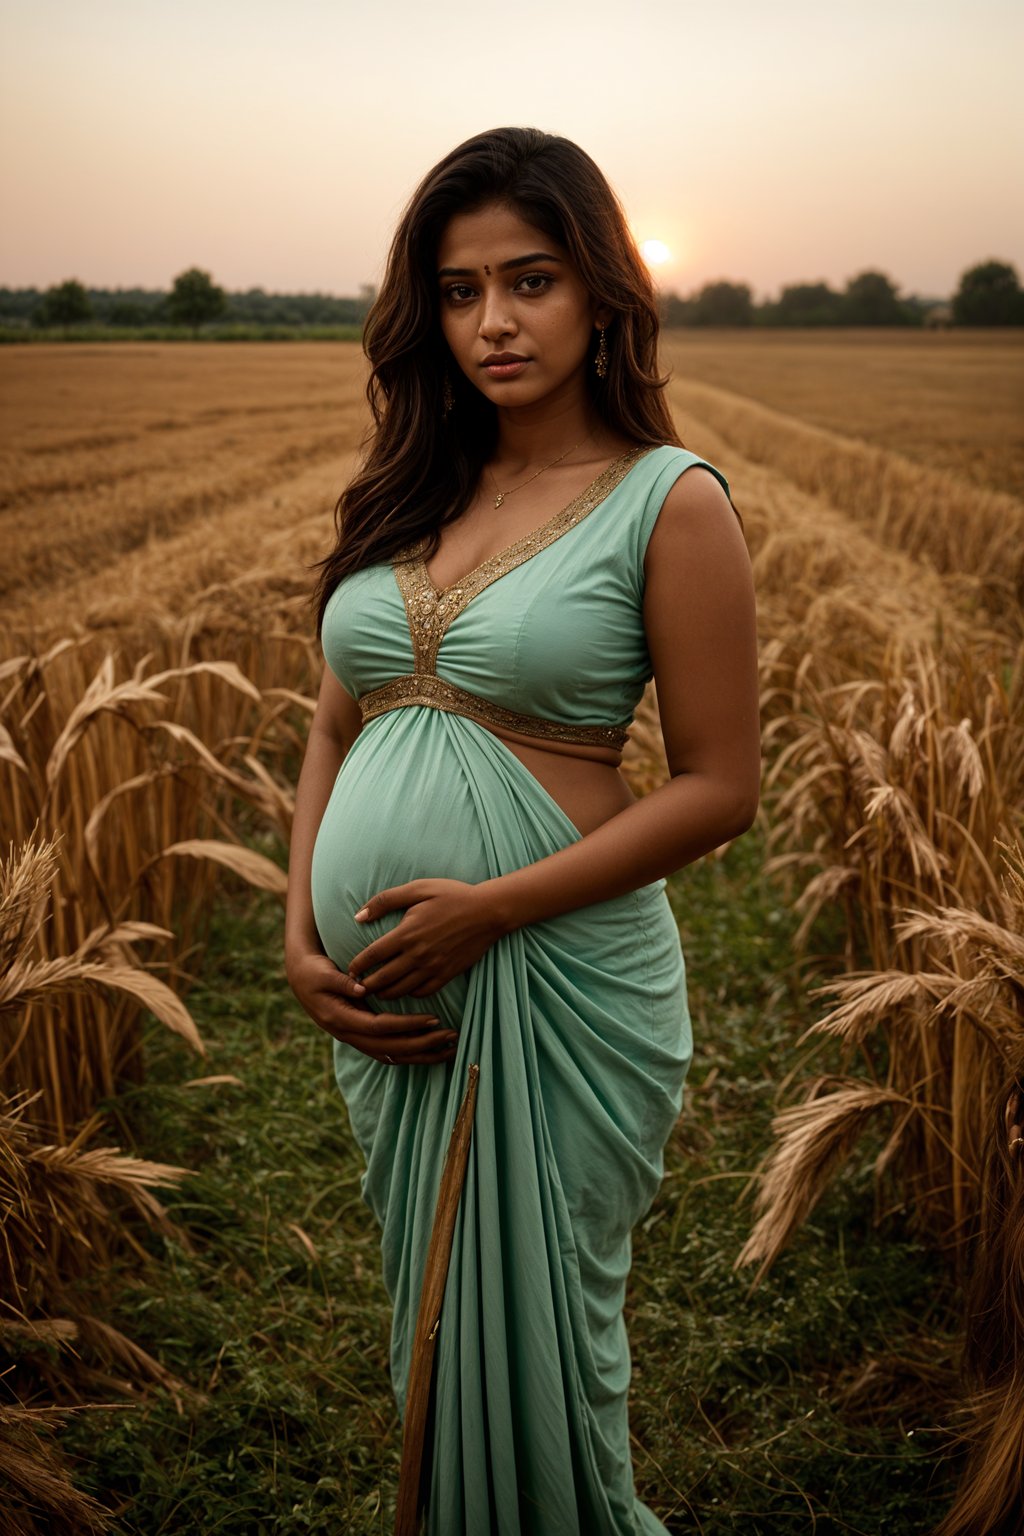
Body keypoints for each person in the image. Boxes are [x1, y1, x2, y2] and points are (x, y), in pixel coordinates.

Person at [285, 126, 760, 1536]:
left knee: (546, 1341)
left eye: (532, 280)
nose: (493, 320)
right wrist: (297, 930)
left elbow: (718, 785)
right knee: (431, 1339)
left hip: (559, 986)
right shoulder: (404, 492)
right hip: (392, 996)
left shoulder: (669, 505)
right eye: (457, 288)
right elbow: (333, 724)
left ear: (603, 290)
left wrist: (494, 908)